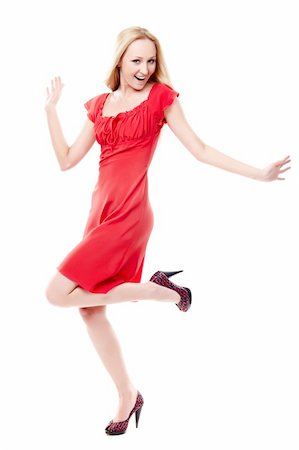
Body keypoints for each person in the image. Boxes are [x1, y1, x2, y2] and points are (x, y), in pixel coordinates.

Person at [44, 26, 291, 436]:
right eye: (136, 60)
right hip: (99, 213)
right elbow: (67, 160)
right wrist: (50, 110)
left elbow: (201, 150)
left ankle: (160, 292)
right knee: (87, 309)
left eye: (151, 60)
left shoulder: (160, 99)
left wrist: (259, 174)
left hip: (130, 215)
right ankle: (127, 393)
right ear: (120, 60)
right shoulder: (101, 105)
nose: (144, 69)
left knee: (56, 294)